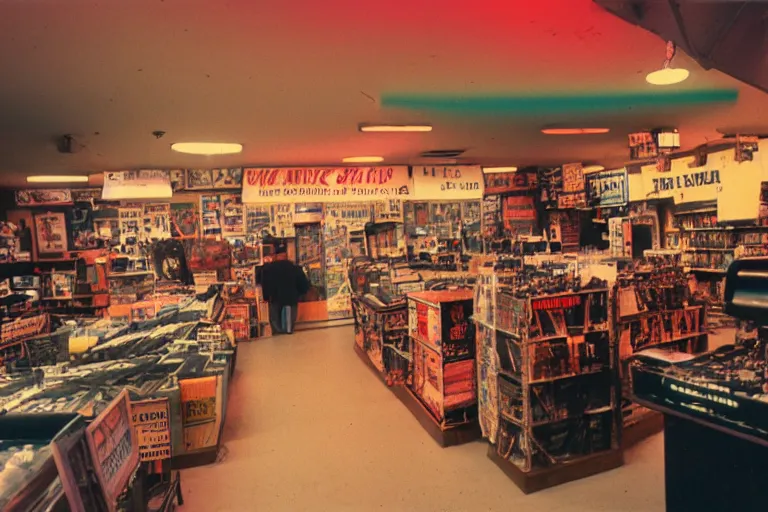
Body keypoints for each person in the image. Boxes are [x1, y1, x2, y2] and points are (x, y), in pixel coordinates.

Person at [260, 243, 310, 335]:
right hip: (291, 299)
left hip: (275, 299)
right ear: (286, 254)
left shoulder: (268, 269)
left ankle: (278, 336)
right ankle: (288, 335)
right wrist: (301, 294)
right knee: (289, 326)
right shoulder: (295, 268)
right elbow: (304, 285)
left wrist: (266, 297)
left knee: (276, 324)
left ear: (275, 255)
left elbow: (265, 285)